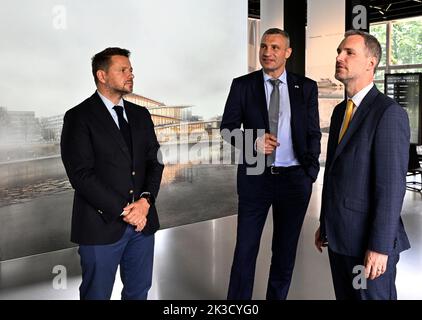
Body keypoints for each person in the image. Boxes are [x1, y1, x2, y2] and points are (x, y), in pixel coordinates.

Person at [220, 28, 321, 300]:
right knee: (245, 250)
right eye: (264, 46)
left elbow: (313, 132)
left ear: (288, 53)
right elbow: (226, 128)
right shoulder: (242, 85)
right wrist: (253, 141)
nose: (267, 52)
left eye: (275, 47)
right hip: (256, 179)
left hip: (294, 180)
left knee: (285, 252)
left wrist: (309, 173)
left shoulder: (306, 87)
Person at [61, 47, 164, 300]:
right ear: (102, 76)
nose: (131, 74)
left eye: (131, 69)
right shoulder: (78, 117)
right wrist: (126, 210)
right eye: (123, 70)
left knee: (139, 293)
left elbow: (155, 162)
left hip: (142, 225)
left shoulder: (141, 115)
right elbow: (81, 175)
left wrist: (145, 202)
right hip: (100, 227)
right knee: (96, 295)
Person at [315, 30, 410, 300]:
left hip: (369, 245)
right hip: (339, 238)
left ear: (371, 62)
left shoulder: (388, 113)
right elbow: (336, 173)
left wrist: (380, 247)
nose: (339, 57)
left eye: (349, 52)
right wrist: (326, 223)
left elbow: (391, 187)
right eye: (339, 51)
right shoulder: (339, 112)